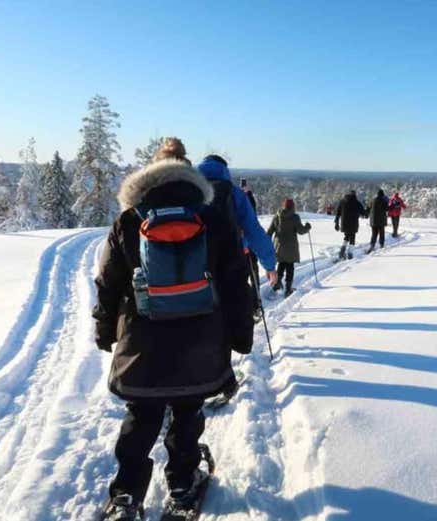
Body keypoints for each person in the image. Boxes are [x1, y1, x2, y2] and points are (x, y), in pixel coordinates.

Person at [93, 138, 254, 520]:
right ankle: (182, 486)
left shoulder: (130, 219)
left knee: (142, 416)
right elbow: (235, 281)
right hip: (200, 341)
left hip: (142, 342)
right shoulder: (212, 216)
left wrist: (105, 329)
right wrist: (240, 335)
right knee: (187, 413)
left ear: (153, 170)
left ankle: (126, 494)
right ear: (188, 170)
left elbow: (108, 281)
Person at [197, 156, 277, 292]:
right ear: (224, 170)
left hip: (197, 265)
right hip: (232, 260)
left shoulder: (191, 192)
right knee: (234, 306)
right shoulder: (235, 194)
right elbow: (254, 231)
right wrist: (270, 266)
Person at [266, 198, 311, 297]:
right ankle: (288, 288)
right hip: (291, 247)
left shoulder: (277, 216)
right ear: (292, 207)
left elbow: (269, 231)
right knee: (290, 267)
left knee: (281, 264)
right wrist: (307, 227)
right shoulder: (295, 217)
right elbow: (301, 231)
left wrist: (266, 243)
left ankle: (277, 284)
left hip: (279, 246)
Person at [334, 190, 366, 260]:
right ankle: (350, 253)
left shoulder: (342, 201)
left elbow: (338, 212)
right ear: (355, 195)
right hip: (353, 223)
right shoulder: (357, 202)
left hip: (344, 224)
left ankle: (342, 251)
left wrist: (336, 222)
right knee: (352, 237)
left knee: (347, 236)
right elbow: (363, 213)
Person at [367, 189, 389, 253]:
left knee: (374, 234)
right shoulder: (384, 201)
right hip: (381, 221)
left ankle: (372, 245)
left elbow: (368, 208)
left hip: (373, 220)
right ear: (382, 195)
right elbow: (387, 209)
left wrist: (366, 214)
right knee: (381, 233)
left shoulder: (373, 200)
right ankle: (381, 245)